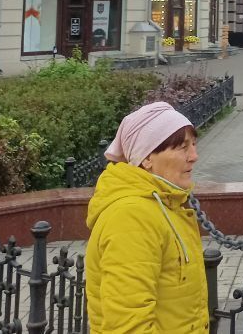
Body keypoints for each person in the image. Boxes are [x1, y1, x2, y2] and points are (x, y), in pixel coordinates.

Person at [86, 101, 207, 334]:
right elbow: (128, 326)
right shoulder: (132, 217)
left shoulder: (166, 205)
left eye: (193, 144)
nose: (194, 156)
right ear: (147, 158)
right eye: (182, 147)